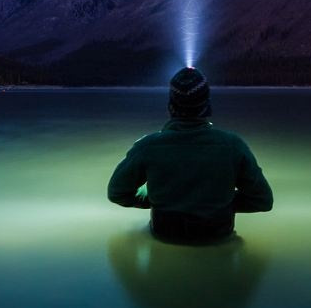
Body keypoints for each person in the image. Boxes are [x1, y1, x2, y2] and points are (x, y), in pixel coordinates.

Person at [107, 67, 273, 243]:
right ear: (206, 105)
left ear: (171, 106)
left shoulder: (148, 146)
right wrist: (221, 205)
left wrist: (155, 199)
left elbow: (117, 192)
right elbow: (262, 200)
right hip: (217, 235)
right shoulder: (233, 145)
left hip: (165, 235)